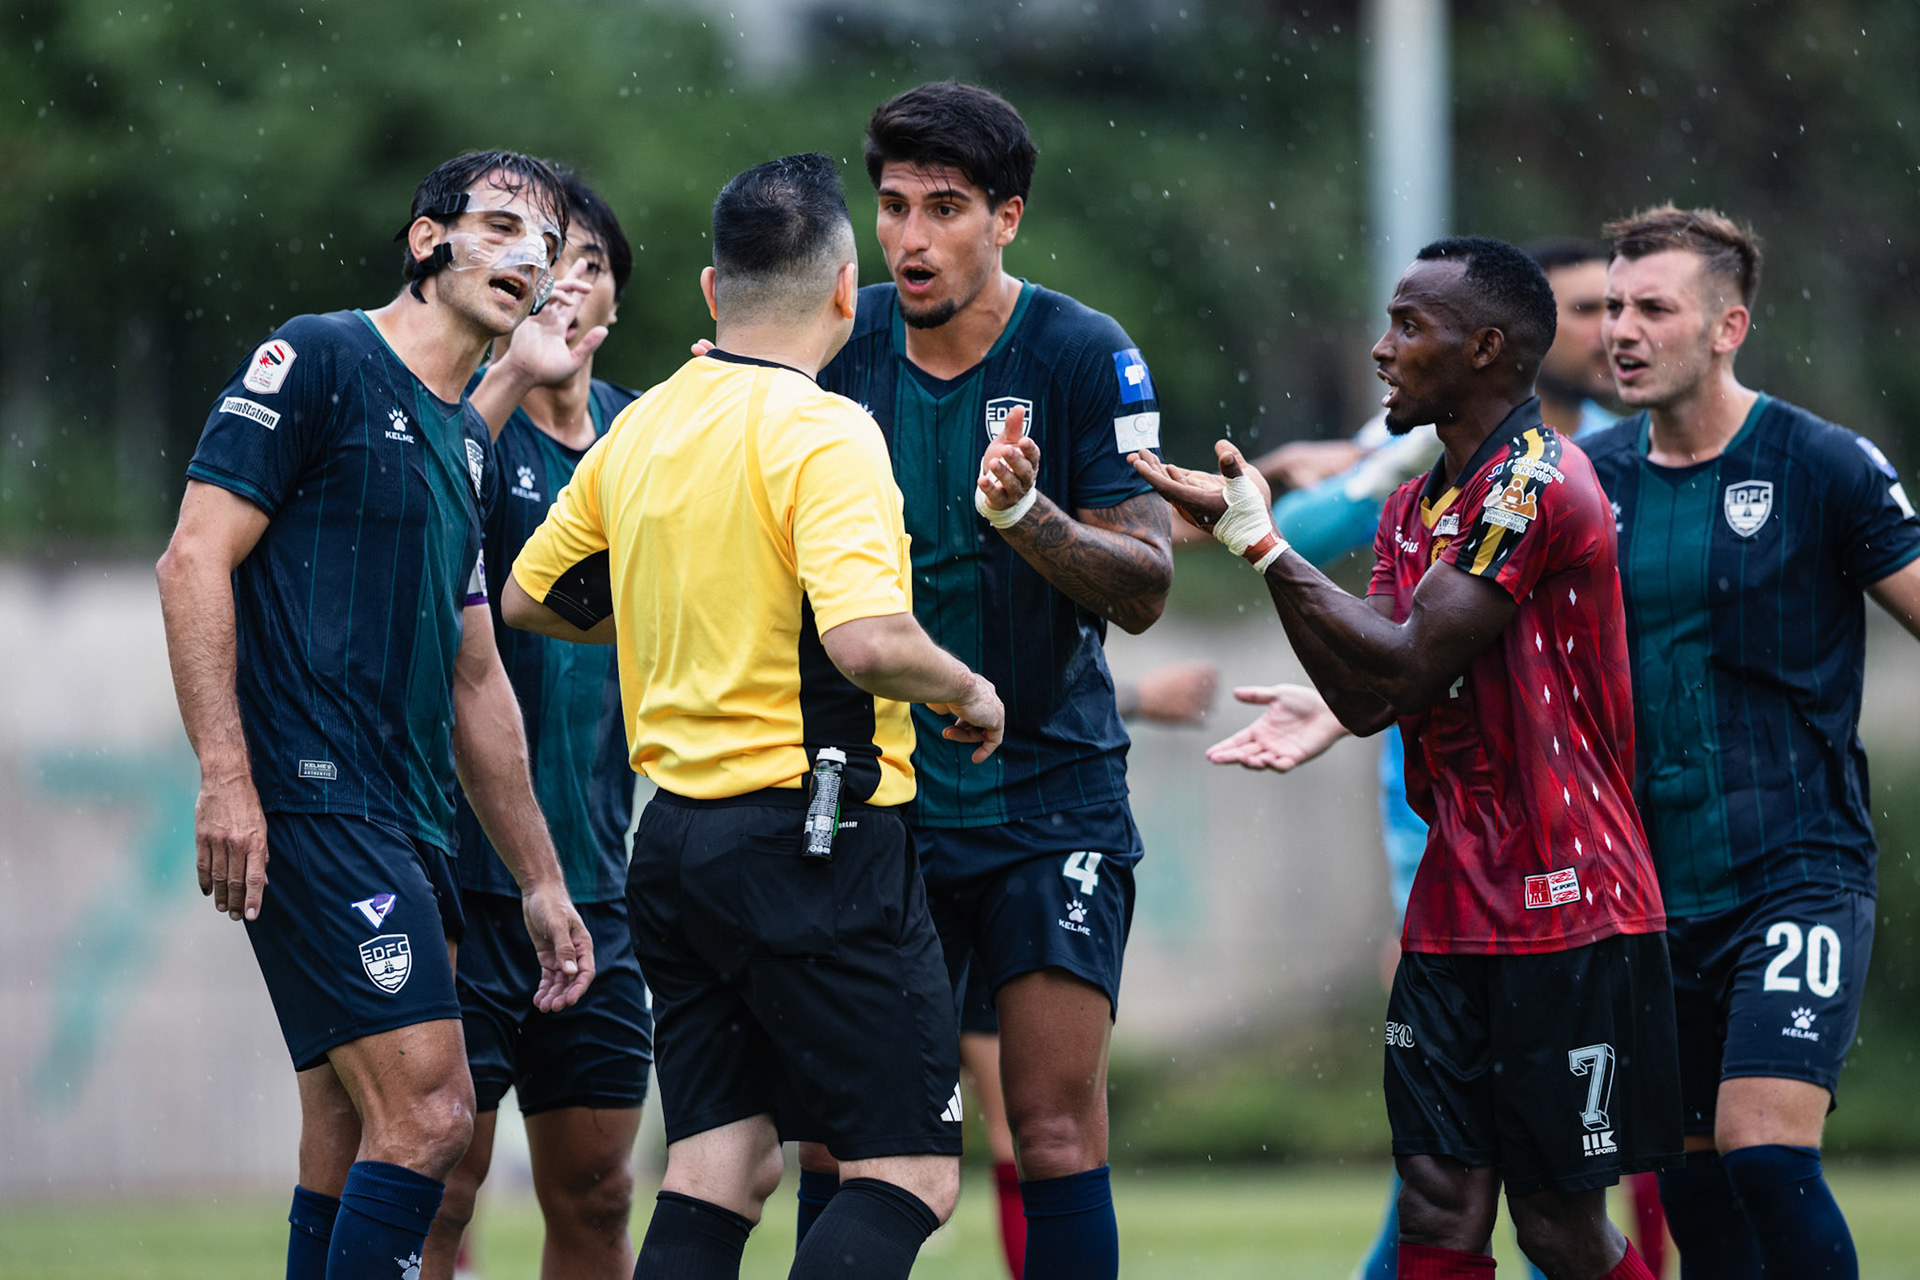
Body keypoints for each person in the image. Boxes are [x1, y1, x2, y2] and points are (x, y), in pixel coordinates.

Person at [503, 152, 1006, 1280]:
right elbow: (868, 641)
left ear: (709, 290)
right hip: (812, 834)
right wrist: (971, 689)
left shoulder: (643, 424)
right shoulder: (826, 431)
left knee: (722, 1163)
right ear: (845, 289)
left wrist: (693, 619)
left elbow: (532, 593)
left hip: (674, 844)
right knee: (907, 1171)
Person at [1135, 236, 1678, 1280]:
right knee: (1437, 1205)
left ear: (1483, 349)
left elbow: (1400, 660)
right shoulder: (1410, 505)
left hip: (1565, 902)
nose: (1382, 350)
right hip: (1454, 898)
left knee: (1557, 1225)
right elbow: (1373, 686)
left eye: (1408, 327)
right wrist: (1305, 639)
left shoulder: (1536, 483)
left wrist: (1263, 547)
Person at [155, 151, 595, 1280]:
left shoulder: (462, 437)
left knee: (350, 1136)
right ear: (426, 240)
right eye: (497, 226)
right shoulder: (317, 357)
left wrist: (542, 880)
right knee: (438, 1111)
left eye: (542, 244)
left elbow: (474, 674)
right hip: (313, 798)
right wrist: (226, 775)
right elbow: (192, 561)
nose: (525, 258)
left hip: (410, 819)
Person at [792, 81, 1174, 1280]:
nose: (910, 237)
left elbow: (1147, 583)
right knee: (845, 1142)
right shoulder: (830, 349)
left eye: (945, 207)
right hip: (875, 795)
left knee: (1053, 1128)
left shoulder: (1082, 352)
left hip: (1048, 792)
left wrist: (1028, 515)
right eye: (894, 205)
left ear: (1005, 216)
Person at [1586, 205, 1920, 1280]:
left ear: (1728, 325)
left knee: (1765, 1151)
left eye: (1652, 307)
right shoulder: (1584, 477)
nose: (1620, 331)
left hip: (1798, 867)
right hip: (1645, 883)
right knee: (1692, 1184)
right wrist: (1333, 700)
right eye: (1611, 307)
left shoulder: (1823, 464)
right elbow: (1469, 627)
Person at [416, 170, 651, 1280]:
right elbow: (421, 504)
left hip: (600, 870)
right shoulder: (475, 415)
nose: (568, 281)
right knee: (436, 1187)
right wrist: (513, 370)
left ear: (615, 306)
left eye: (592, 263)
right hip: (462, 876)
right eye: (549, 257)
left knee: (600, 1194)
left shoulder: (647, 441)